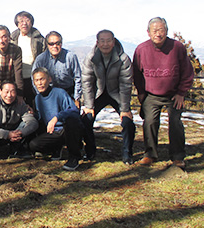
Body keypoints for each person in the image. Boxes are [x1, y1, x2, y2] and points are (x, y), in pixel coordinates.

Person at [133, 17, 194, 169]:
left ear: (166, 31)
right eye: (154, 31)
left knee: (175, 123)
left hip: (174, 94)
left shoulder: (177, 47)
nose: (158, 34)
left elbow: (187, 71)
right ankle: (150, 154)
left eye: (161, 30)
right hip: (151, 94)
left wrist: (181, 93)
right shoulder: (141, 49)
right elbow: (137, 74)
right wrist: (142, 96)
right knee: (150, 122)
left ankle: (178, 156)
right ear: (148, 32)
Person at [81, 30, 136, 164]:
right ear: (97, 42)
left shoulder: (123, 58)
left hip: (116, 93)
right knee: (86, 119)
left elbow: (126, 84)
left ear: (113, 41)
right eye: (102, 41)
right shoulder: (91, 57)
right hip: (98, 93)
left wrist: (124, 108)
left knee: (127, 122)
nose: (105, 44)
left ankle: (127, 154)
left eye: (108, 40)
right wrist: (89, 106)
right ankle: (90, 151)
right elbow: (87, 81)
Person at [29, 67, 86, 171]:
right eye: (36, 80)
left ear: (49, 79)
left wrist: (57, 117)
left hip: (67, 129)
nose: (40, 83)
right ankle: (57, 147)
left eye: (42, 79)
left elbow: (73, 111)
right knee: (34, 145)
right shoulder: (37, 99)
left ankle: (74, 157)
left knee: (71, 121)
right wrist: (32, 114)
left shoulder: (60, 93)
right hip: (53, 132)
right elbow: (41, 119)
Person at [0, 81, 38, 161]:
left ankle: (17, 150)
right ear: (0, 91)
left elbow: (33, 122)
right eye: (6, 92)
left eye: (12, 92)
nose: (9, 95)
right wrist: (7, 135)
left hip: (15, 132)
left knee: (24, 124)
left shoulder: (21, 103)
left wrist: (21, 133)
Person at [32, 31, 82, 107]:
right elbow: (34, 79)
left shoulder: (70, 57)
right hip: (49, 94)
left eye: (57, 43)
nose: (54, 46)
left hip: (68, 92)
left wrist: (76, 99)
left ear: (61, 43)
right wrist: (41, 96)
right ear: (47, 44)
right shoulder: (41, 59)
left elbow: (79, 78)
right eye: (51, 44)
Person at [11, 11, 45, 107]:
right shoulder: (12, 39)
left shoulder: (40, 39)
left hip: (34, 78)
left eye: (27, 20)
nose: (24, 23)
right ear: (17, 24)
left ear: (31, 22)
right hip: (17, 77)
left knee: (35, 103)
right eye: (21, 21)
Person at [0, 25, 23, 102]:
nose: (1, 41)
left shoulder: (16, 50)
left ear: (9, 37)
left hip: (10, 84)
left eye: (4, 37)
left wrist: (20, 94)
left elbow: (18, 72)